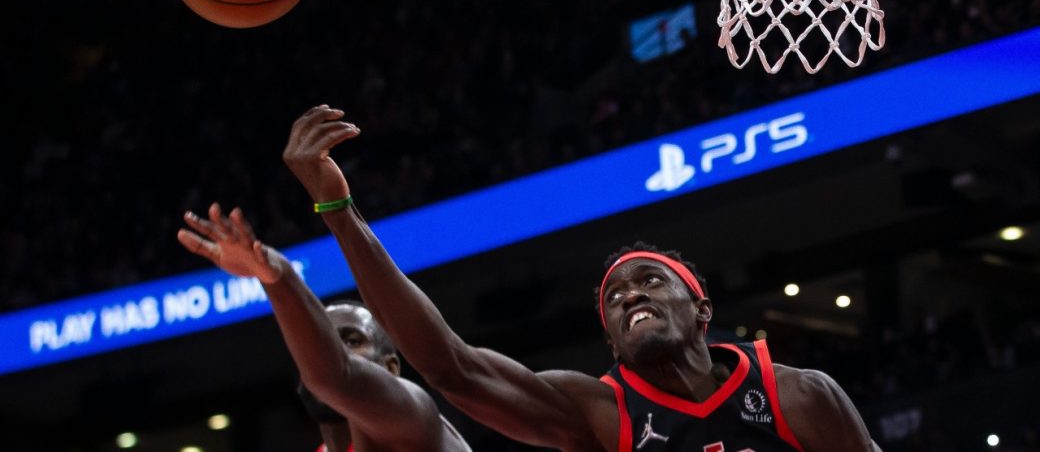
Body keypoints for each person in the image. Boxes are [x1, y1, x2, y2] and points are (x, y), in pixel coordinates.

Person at [279, 104, 882, 451]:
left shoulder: (799, 395)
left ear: (702, 309)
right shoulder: (597, 413)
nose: (631, 294)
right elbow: (450, 367)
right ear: (612, 345)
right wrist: (340, 212)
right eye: (614, 297)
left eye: (651, 281)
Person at [176, 203, 471, 452]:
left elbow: (335, 376)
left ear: (391, 367)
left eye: (352, 341)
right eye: (320, 343)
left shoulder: (416, 419)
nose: (330, 351)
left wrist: (278, 278)